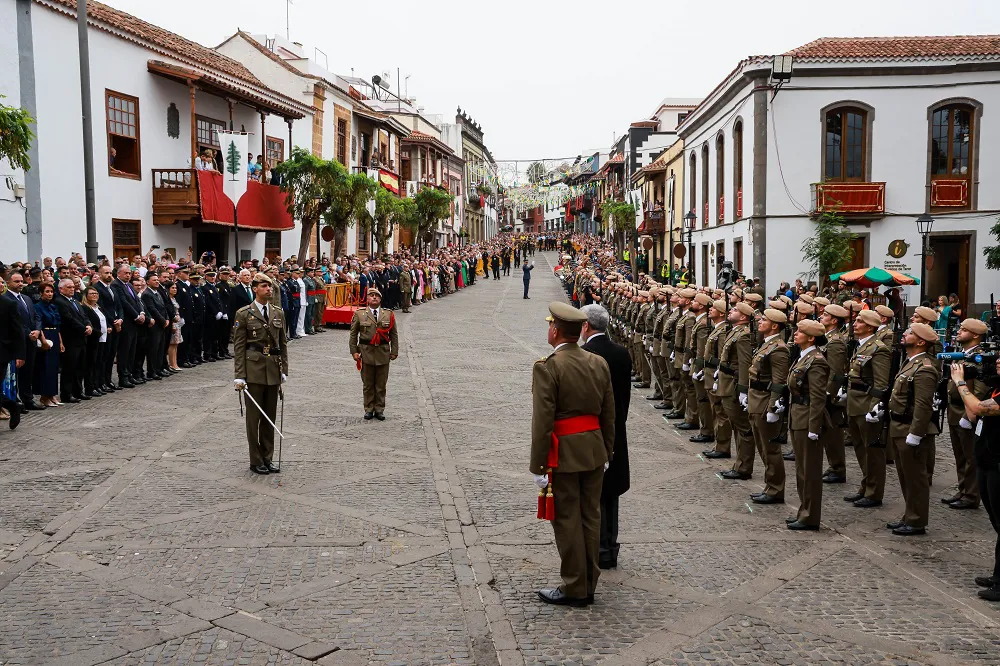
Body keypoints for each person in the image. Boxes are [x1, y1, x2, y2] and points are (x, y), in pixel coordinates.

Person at [531, 302, 615, 606]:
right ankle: (589, 582)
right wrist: (608, 449)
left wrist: (539, 464)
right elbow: (609, 412)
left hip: (563, 453)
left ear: (555, 330)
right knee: (590, 517)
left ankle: (574, 586)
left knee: (567, 519)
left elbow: (543, 421)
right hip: (594, 450)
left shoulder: (548, 366)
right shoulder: (598, 362)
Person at [580, 303, 630, 570]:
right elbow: (625, 398)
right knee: (611, 494)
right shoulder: (622, 353)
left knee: (592, 494)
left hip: (592, 432)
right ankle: (610, 546)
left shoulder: (585, 354)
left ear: (586, 326)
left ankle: (596, 546)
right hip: (617, 430)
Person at [950, 355, 1000, 602]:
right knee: (996, 521)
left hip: (998, 464)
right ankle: (998, 575)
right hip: (986, 460)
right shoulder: (995, 386)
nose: (998, 362)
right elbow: (973, 415)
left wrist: (960, 382)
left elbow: (980, 408)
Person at [884, 322, 940, 536]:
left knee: (916, 478)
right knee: (905, 476)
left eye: (910, 333)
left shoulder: (924, 368)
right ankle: (909, 514)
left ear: (920, 341)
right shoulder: (910, 362)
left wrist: (916, 434)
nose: (904, 334)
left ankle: (916, 520)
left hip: (910, 429)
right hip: (900, 426)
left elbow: (923, 405)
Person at [233, 275, 288, 475]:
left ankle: (268, 457)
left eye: (270, 287)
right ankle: (255, 460)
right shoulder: (244, 314)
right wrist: (240, 375)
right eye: (264, 286)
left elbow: (282, 344)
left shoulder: (278, 313)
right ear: (255, 288)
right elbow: (239, 347)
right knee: (254, 418)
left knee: (269, 417)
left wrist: (284, 370)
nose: (269, 289)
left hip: (273, 369)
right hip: (253, 370)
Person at [785, 318, 831, 530]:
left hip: (807, 420)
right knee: (802, 470)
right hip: (798, 416)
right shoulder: (804, 357)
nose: (795, 334)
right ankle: (804, 510)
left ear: (811, 338)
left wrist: (814, 428)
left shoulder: (817, 360)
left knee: (810, 471)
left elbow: (818, 397)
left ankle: (810, 516)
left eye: (800, 331)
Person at [943, 319, 992, 510]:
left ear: (975, 335)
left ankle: (971, 494)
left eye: (964, 330)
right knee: (959, 453)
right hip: (954, 407)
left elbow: (980, 388)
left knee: (970, 455)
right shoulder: (961, 354)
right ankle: (963, 489)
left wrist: (968, 413)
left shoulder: (980, 356)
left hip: (967, 410)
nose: (959, 332)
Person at [747, 308, 789, 504]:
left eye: (764, 320)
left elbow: (779, 382)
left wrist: (773, 408)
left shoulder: (778, 348)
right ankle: (769, 486)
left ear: (774, 325)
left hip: (765, 402)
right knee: (763, 448)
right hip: (756, 399)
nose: (759, 321)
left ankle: (775, 489)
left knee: (770, 449)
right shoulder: (766, 344)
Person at [348, 288, 399, 421]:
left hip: (383, 352)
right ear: (368, 299)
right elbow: (353, 334)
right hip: (366, 352)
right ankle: (369, 409)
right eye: (371, 295)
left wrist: (394, 351)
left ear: (380, 299)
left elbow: (393, 334)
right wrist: (354, 351)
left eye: (377, 296)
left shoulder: (388, 314)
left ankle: (379, 409)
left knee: (381, 384)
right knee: (368, 383)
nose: (374, 297)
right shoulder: (359, 314)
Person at [6, 271, 44, 411]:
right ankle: (15, 401)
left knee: (29, 371)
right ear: (8, 282)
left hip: (32, 340)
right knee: (17, 372)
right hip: (17, 341)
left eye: (21, 281)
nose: (20, 284)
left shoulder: (27, 298)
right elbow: (14, 322)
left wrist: (38, 331)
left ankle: (28, 399)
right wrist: (28, 332)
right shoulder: (6, 299)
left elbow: (36, 316)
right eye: (16, 281)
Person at [54, 278, 91, 404]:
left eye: (73, 287)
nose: (72, 289)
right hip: (70, 339)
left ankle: (78, 391)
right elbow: (68, 319)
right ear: (61, 289)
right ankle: (66, 393)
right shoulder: (60, 301)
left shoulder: (75, 300)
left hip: (81, 339)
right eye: (69, 287)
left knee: (80, 367)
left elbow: (84, 316)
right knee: (69, 368)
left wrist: (88, 325)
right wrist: (83, 328)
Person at [33, 284, 61, 407]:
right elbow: (39, 324)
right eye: (47, 291)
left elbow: (58, 326)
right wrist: (43, 341)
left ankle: (52, 394)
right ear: (41, 293)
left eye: (51, 291)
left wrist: (61, 342)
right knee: (45, 366)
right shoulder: (37, 307)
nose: (50, 294)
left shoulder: (53, 306)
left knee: (54, 367)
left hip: (54, 334)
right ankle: (44, 395)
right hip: (45, 335)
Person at [166, 281, 183, 371]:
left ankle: (175, 363)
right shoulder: (168, 299)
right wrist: (172, 323)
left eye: (175, 288)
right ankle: (172, 364)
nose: (174, 289)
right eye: (172, 288)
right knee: (172, 344)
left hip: (177, 322)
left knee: (176, 343)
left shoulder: (174, 298)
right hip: (173, 322)